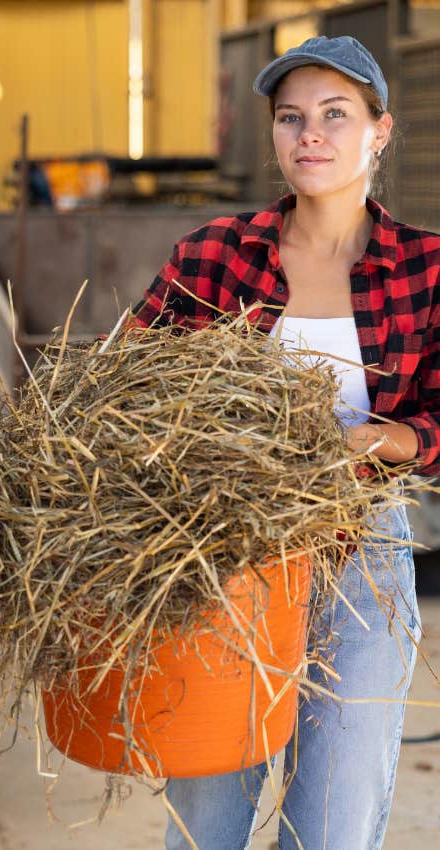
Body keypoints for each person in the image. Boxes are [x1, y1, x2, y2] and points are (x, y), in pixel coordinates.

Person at [130, 36, 437, 850]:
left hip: (360, 555)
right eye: (292, 117)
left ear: (379, 130)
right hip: (223, 557)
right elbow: (122, 380)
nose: (311, 134)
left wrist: (388, 439)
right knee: (207, 815)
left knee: (333, 824)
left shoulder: (427, 268)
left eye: (336, 115)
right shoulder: (216, 255)